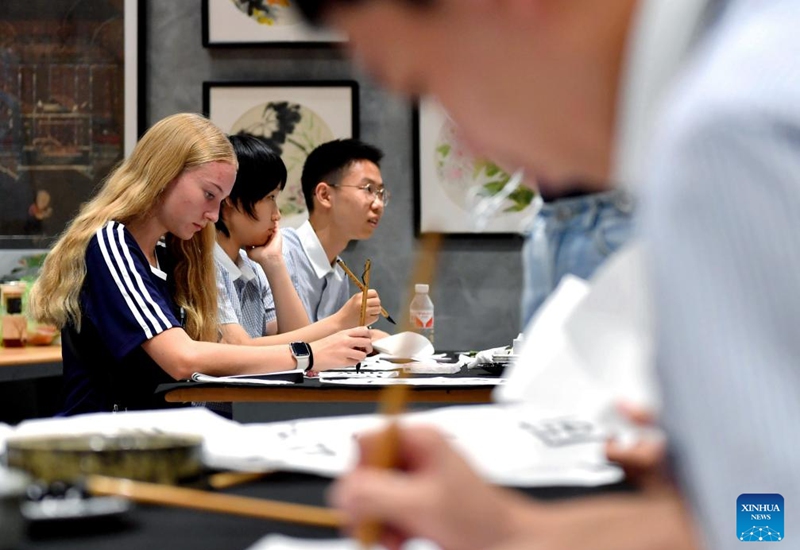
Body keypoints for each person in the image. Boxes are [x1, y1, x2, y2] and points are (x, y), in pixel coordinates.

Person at [293, 1, 800, 549]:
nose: (470, 146)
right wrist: (513, 531)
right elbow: (766, 518)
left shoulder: (733, 130)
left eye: (425, 84)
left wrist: (740, 491)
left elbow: (771, 534)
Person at [28, 113, 372, 416]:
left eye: (220, 200)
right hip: (104, 445)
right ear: (164, 174)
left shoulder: (171, 256)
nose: (213, 214)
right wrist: (307, 354)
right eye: (209, 194)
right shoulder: (112, 244)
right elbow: (183, 358)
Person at [215, 132, 383, 346]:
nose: (277, 215)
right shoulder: (207, 264)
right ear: (229, 199)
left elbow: (295, 344)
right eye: (270, 197)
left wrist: (273, 262)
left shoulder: (255, 265)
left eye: (380, 193)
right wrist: (340, 322)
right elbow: (237, 350)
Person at [282, 138, 387, 322]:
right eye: (368, 189)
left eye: (381, 193)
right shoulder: (280, 255)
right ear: (324, 195)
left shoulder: (339, 273)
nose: (378, 204)